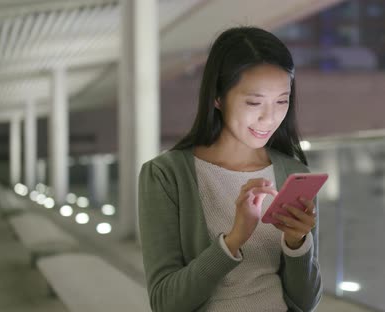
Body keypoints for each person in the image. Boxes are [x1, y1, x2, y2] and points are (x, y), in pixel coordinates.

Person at [138, 26, 322, 312]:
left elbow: (305, 303)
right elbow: (165, 303)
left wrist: (297, 244)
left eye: (282, 101)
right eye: (254, 102)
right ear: (218, 97)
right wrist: (235, 238)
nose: (269, 117)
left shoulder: (294, 174)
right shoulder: (166, 175)